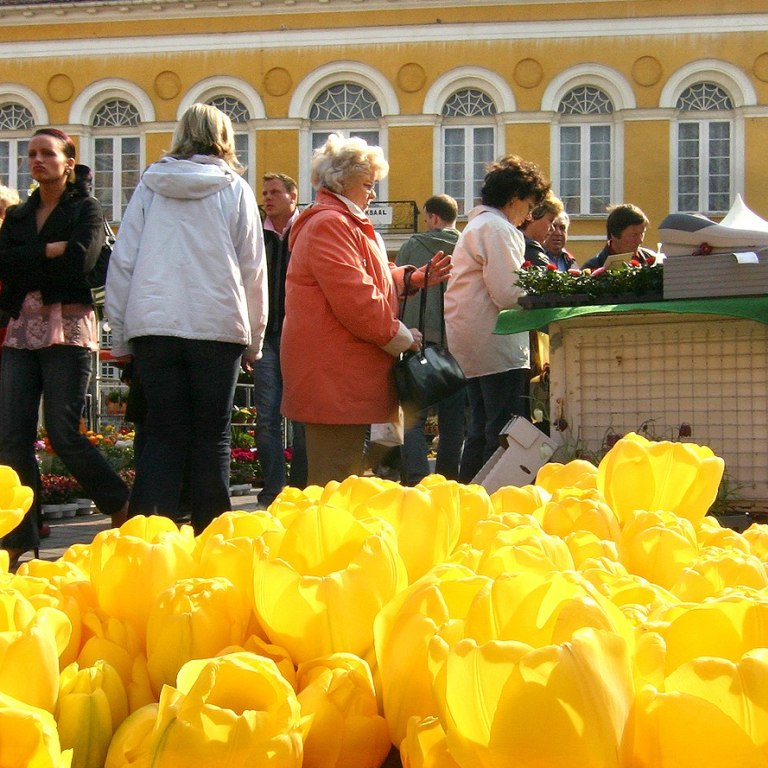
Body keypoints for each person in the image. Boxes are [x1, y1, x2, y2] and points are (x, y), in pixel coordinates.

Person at [105, 103, 268, 533]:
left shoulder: (150, 186)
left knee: (161, 435)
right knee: (212, 437)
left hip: (154, 324)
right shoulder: (235, 189)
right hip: (218, 325)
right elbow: (253, 268)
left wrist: (120, 336)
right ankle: (213, 540)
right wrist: (255, 339)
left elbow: (123, 262)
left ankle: (144, 542)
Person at [280, 133, 451, 487]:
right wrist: (401, 337)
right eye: (368, 185)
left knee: (341, 480)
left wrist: (408, 278)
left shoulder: (342, 221)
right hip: (334, 375)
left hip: (341, 374)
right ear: (341, 181)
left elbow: (367, 278)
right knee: (334, 480)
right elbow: (356, 298)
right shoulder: (331, 223)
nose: (373, 194)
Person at [0, 128, 130, 567]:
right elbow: (4, 264)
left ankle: (121, 505)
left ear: (68, 162)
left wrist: (36, 259)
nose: (37, 160)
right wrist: (48, 252)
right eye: (32, 154)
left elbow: (82, 263)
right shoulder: (18, 214)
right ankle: (20, 538)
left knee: (62, 430)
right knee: (12, 437)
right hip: (21, 328)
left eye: (48, 153)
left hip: (69, 328)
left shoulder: (86, 208)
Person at [444, 154, 550, 483]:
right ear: (515, 197)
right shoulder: (498, 228)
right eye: (530, 205)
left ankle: (468, 496)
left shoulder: (477, 225)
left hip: (471, 341)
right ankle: (495, 498)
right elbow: (507, 292)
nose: (529, 215)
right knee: (504, 429)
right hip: (496, 341)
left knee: (479, 427)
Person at [395, 193, 465, 485]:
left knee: (413, 417)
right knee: (454, 421)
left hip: (418, 342)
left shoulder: (413, 245)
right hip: (456, 345)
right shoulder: (466, 246)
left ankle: (416, 478)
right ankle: (448, 481)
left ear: (433, 217)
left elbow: (396, 288)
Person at [248, 172, 306, 507]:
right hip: (267, 336)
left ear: (292, 196)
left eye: (274, 193)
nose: (267, 198)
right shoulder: (256, 234)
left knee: (300, 415)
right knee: (267, 416)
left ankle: (298, 489)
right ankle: (273, 488)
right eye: (265, 193)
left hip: (299, 336)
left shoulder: (306, 230)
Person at [582, 203, 656, 270]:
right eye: (634, 235)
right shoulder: (592, 269)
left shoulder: (652, 260)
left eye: (642, 233)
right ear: (614, 235)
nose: (640, 241)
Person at [519, 193, 564, 267]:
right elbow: (550, 277)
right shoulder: (530, 249)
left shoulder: (513, 239)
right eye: (550, 221)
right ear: (531, 215)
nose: (552, 229)